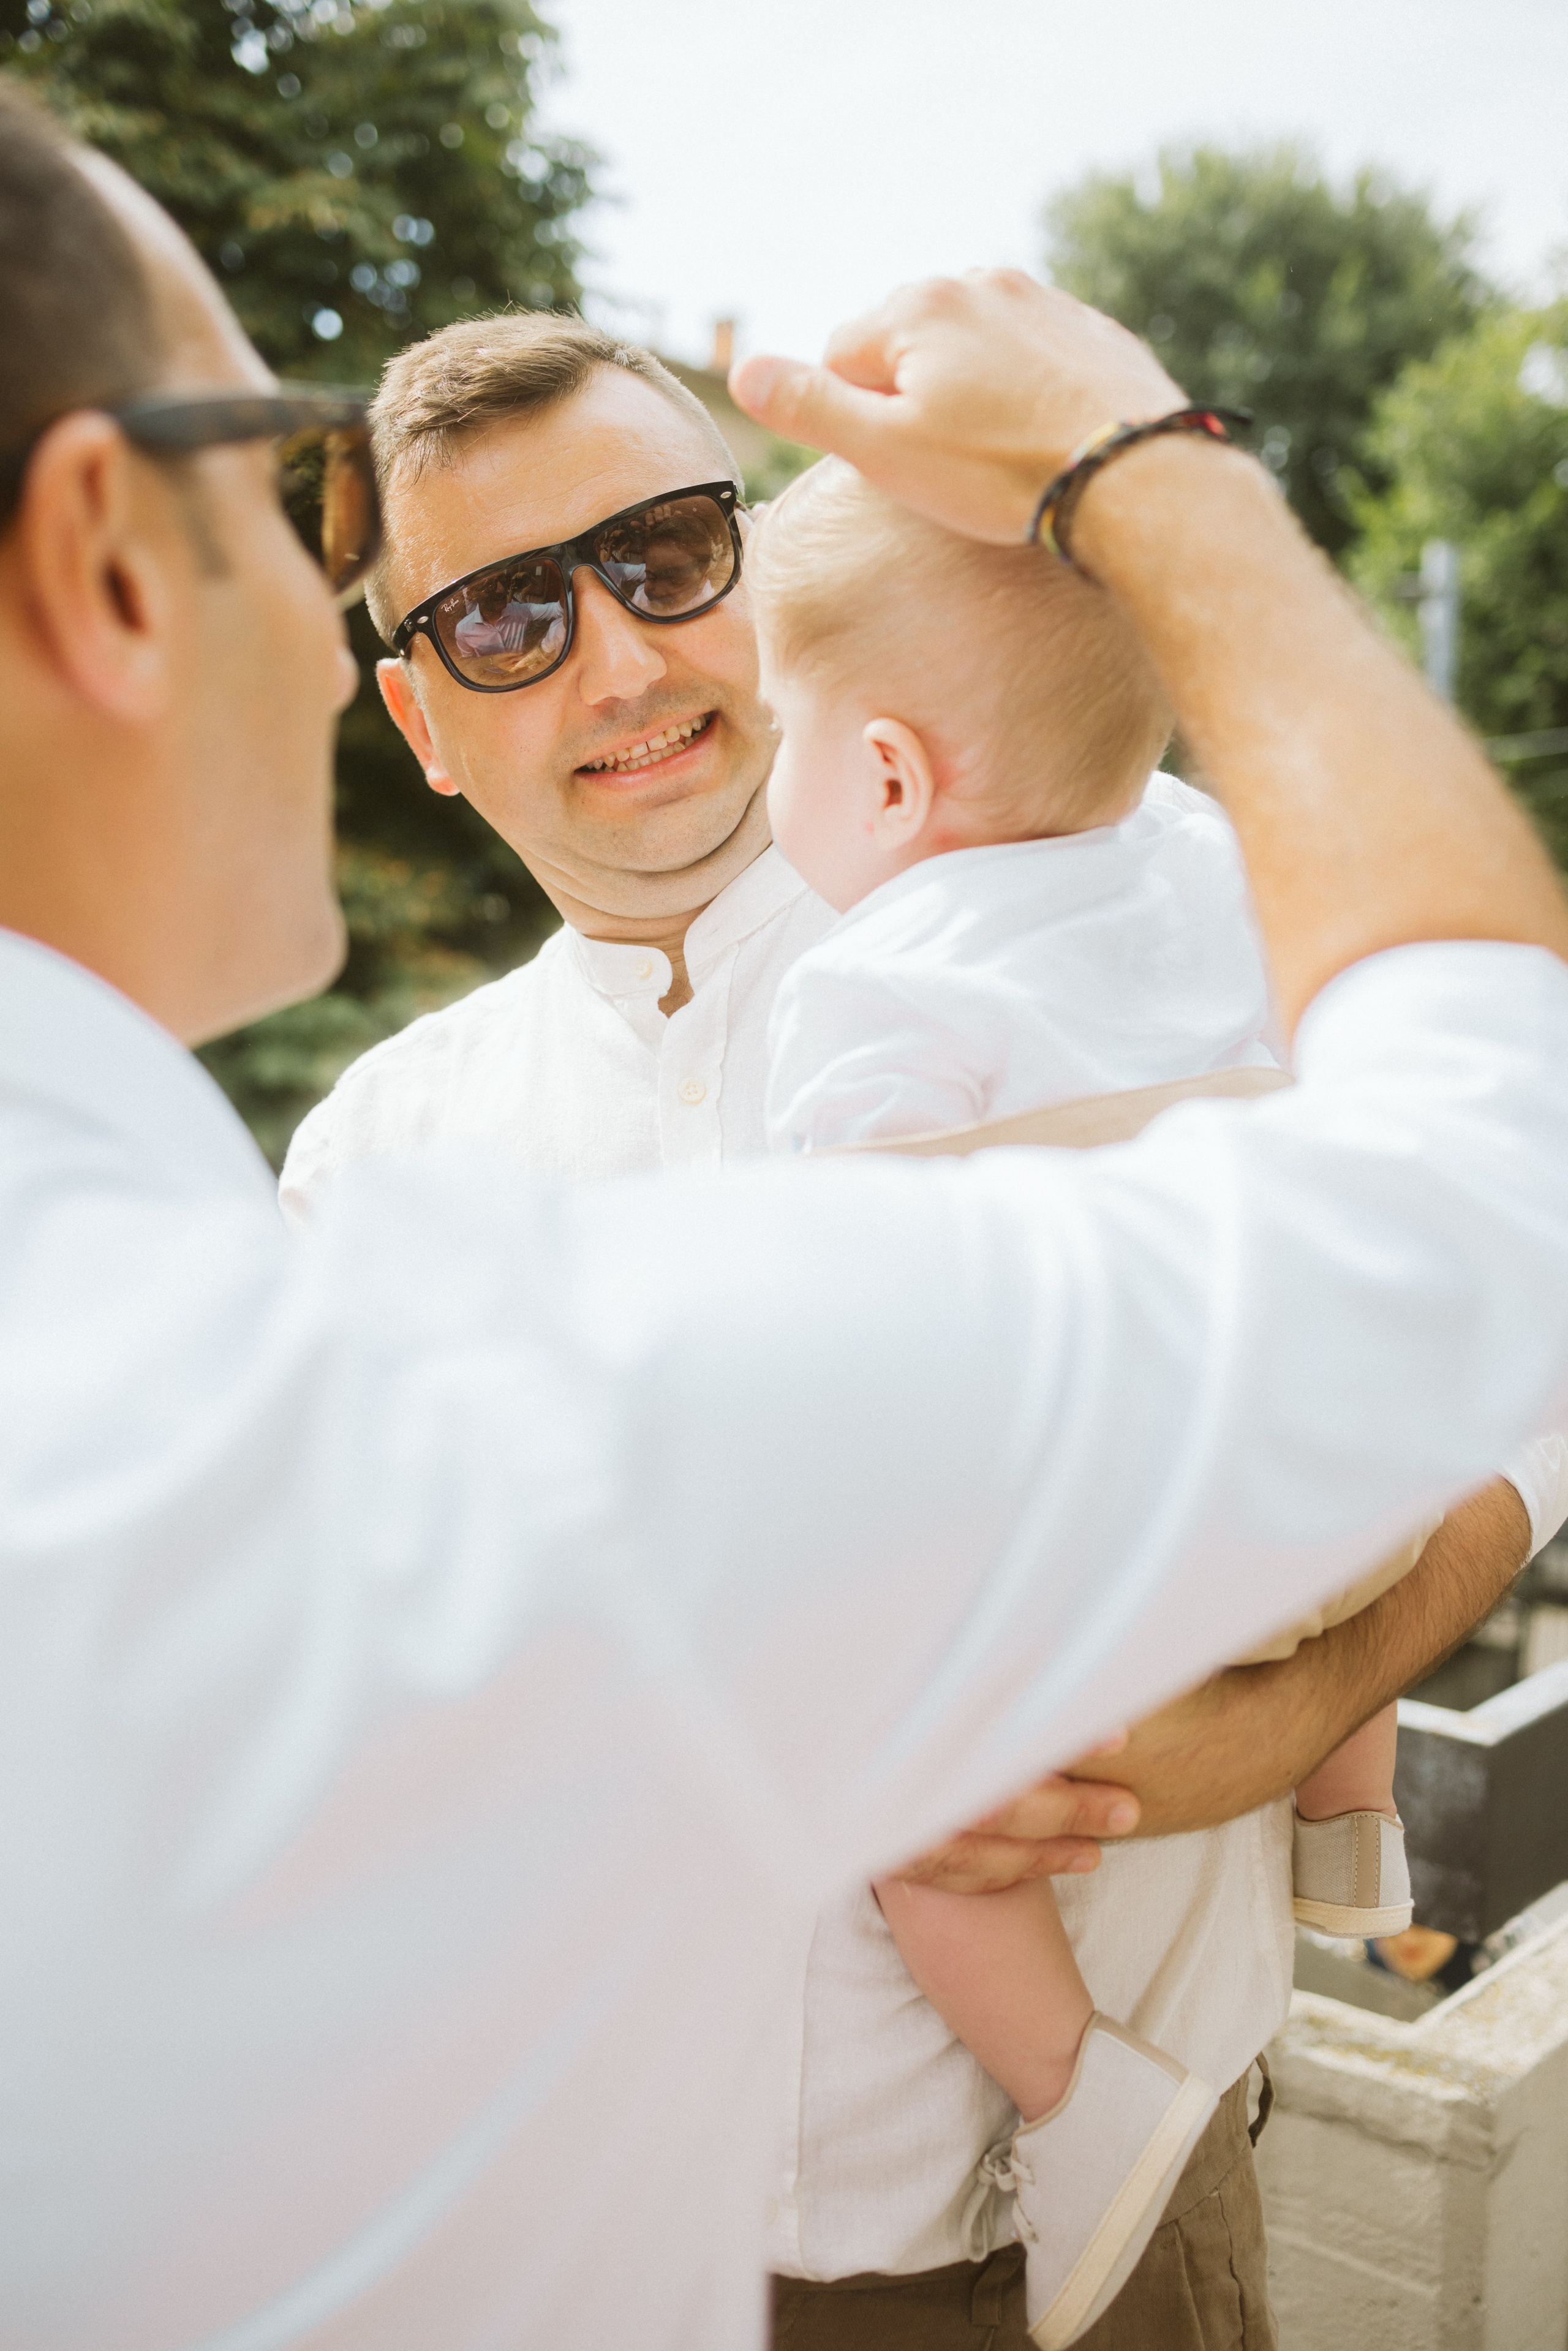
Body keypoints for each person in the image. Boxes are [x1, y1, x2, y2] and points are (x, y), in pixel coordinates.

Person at [4, 86, 1568, 2351]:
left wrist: (1256, 1719)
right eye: (513, 614)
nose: (629, 659)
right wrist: (1147, 479)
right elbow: (1484, 1180)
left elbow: (1530, 1358)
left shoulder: (1161, 895)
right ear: (418, 715)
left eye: (668, 553)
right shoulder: (367, 1184)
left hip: (1127, 2238)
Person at [745, 452, 1461, 2344]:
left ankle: (1075, 2099)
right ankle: (1349, 1808)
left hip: (1104, 1513)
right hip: (1321, 1459)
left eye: (782, 743)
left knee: (920, 1823)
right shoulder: (1206, 847)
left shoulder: (872, 977)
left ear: (890, 775)